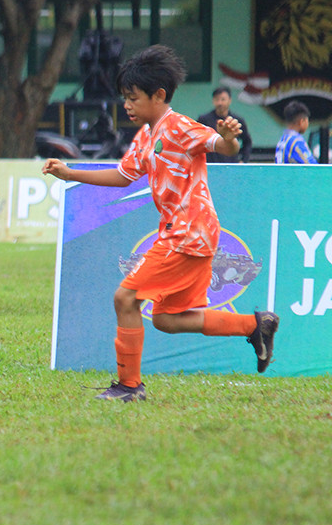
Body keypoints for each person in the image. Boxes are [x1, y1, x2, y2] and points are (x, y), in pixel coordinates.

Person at [42, 45, 280, 402]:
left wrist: (230, 139)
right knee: (168, 319)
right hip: (185, 233)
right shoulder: (147, 134)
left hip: (188, 233)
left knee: (125, 298)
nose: (127, 105)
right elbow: (124, 176)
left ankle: (129, 386)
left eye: (133, 97)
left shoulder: (180, 127)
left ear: (159, 95)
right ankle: (255, 325)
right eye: (125, 97)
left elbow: (220, 145)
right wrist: (69, 173)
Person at [196, 86, 252, 162]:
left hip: (231, 166)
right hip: (211, 165)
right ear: (213, 101)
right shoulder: (204, 119)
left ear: (229, 100)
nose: (220, 103)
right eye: (217, 99)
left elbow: (247, 142)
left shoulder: (237, 120)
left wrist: (243, 160)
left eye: (223, 99)